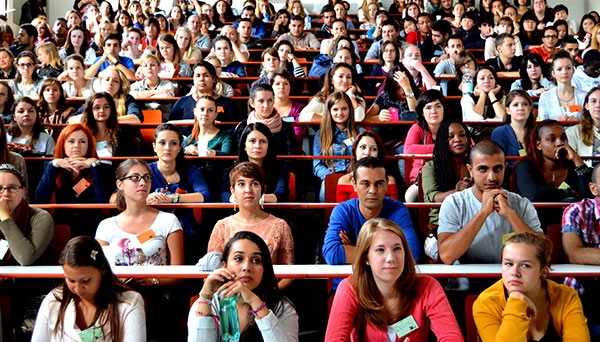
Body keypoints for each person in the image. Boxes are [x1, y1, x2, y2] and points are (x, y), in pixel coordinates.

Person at [326, 218, 462, 340]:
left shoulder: (428, 286)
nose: (391, 258)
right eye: (380, 250)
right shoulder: (349, 289)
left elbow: (452, 338)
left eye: (397, 248)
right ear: (366, 257)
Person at [96, 158, 184, 341]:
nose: (143, 183)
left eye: (146, 178)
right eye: (135, 178)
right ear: (120, 184)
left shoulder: (168, 221)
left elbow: (179, 274)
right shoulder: (106, 226)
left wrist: (153, 281)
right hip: (116, 292)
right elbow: (100, 270)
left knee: (139, 303)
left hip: (155, 294)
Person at [437, 140, 542, 266]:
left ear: (505, 167)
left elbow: (543, 255)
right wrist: (483, 213)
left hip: (512, 281)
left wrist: (510, 214)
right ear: (470, 170)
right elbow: (446, 256)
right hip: (467, 283)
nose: (491, 177)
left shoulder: (521, 204)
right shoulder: (454, 203)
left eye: (498, 168)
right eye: (483, 169)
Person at [323, 157, 420, 290]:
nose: (372, 190)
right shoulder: (343, 210)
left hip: (389, 289)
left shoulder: (398, 210)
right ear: (354, 183)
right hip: (350, 287)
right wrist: (389, 253)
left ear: (386, 183)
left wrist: (355, 250)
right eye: (365, 184)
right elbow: (332, 252)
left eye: (379, 183)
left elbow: (412, 253)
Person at [473, 232, 590, 341]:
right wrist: (517, 301)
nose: (514, 272)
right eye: (508, 264)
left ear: (543, 272)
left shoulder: (566, 296)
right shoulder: (486, 303)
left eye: (525, 265)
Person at [31, 236, 146, 342]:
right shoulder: (54, 300)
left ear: (103, 269)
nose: (78, 289)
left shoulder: (129, 302)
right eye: (71, 281)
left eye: (86, 281)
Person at [189, 231, 298, 341]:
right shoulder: (211, 303)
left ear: (264, 269)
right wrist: (205, 297)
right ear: (224, 265)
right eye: (238, 258)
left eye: (256, 260)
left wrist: (254, 301)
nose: (246, 267)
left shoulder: (282, 307)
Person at [207, 162, 294, 289]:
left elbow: (289, 274)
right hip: (230, 297)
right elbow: (211, 272)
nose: (248, 190)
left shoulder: (280, 226)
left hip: (269, 297)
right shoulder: (222, 226)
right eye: (241, 184)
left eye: (254, 184)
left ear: (263, 189)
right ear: (233, 190)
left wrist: (267, 296)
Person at [35, 124, 112, 234]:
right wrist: (54, 166)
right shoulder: (50, 167)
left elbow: (102, 200)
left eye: (82, 141)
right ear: (63, 146)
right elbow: (40, 199)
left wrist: (95, 167)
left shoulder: (101, 168)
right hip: (61, 226)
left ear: (89, 146)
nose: (77, 146)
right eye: (71, 141)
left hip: (92, 227)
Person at [513, 119, 593, 203]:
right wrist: (568, 192)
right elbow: (534, 195)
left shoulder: (571, 165)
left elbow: (589, 194)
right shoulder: (525, 165)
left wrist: (577, 160)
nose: (560, 143)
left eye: (563, 138)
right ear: (538, 145)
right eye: (552, 139)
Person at [312, 91, 363, 201]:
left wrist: (352, 175)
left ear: (350, 110)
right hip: (331, 177)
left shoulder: (360, 133)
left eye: (344, 108)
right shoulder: (320, 135)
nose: (340, 112)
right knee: (324, 189)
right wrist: (332, 177)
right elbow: (317, 165)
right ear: (329, 111)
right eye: (335, 109)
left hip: (355, 178)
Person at [422, 120, 472, 230]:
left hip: (471, 222)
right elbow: (433, 197)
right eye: (450, 137)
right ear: (442, 141)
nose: (458, 139)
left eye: (462, 135)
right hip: (440, 224)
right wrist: (456, 192)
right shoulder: (431, 166)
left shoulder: (475, 164)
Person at [0, 162, 52, 266]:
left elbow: (25, 258)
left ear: (22, 191)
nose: (5, 194)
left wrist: (5, 217)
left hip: (29, 280)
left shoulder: (41, 217)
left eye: (12, 188)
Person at [183, 95, 234, 199]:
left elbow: (227, 157)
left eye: (210, 110)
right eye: (202, 109)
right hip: (194, 185)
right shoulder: (189, 140)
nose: (205, 113)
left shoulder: (225, 136)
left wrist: (201, 151)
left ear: (215, 114)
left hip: (218, 184)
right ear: (195, 112)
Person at [224, 123, 290, 203]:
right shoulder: (232, 169)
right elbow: (223, 193)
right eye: (252, 141)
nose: (257, 146)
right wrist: (231, 198)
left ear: (269, 145)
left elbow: (281, 194)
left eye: (263, 141)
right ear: (244, 145)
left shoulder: (280, 168)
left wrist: (254, 198)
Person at [404, 90, 450, 202]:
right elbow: (408, 149)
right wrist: (440, 148)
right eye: (428, 107)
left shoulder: (452, 127)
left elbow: (469, 145)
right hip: (421, 177)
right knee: (410, 197)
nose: (433, 111)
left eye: (438, 106)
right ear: (422, 112)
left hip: (448, 175)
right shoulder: (417, 128)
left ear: (444, 109)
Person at [234, 83, 297, 158]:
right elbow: (240, 157)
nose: (266, 105)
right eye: (261, 101)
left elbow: (290, 159)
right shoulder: (242, 127)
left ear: (274, 101)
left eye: (270, 100)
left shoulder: (286, 127)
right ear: (252, 103)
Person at [337, 131, 398, 202]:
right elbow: (341, 211)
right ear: (355, 151)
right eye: (363, 147)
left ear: (378, 154)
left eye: (373, 149)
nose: (367, 153)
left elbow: (395, 210)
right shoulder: (345, 180)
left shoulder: (389, 180)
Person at [170, 62, 237, 123]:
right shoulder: (182, 102)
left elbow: (234, 127)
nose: (201, 79)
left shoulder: (227, 103)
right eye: (198, 76)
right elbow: (171, 125)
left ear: (214, 79)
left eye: (206, 75)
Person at [80, 92, 141, 158]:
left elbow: (125, 163)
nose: (102, 110)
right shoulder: (84, 134)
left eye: (106, 107)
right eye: (97, 107)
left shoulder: (122, 134)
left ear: (111, 109)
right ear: (90, 111)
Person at [74, 66, 142, 124]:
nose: (110, 83)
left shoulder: (127, 98)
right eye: (107, 79)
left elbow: (136, 119)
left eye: (115, 81)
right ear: (101, 82)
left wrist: (106, 121)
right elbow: (72, 120)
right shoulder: (93, 99)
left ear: (120, 85)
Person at [300, 63, 366, 123]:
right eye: (340, 76)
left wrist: (351, 96)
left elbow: (358, 118)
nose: (345, 80)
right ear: (332, 80)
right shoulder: (322, 98)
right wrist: (334, 120)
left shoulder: (357, 100)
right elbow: (303, 116)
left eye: (349, 77)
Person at [538, 50, 587, 121]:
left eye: (568, 68)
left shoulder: (584, 96)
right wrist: (555, 123)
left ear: (573, 71)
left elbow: (590, 123)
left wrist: (579, 123)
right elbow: (541, 122)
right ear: (553, 73)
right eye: (559, 69)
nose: (564, 72)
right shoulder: (545, 97)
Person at [491, 90, 535, 168]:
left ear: (530, 108)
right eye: (515, 105)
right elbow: (497, 163)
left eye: (524, 104)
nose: (520, 108)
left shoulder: (537, 131)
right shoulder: (499, 133)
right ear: (508, 110)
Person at [270, 69, 306, 149]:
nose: (281, 87)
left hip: (293, 152)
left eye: (285, 83)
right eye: (277, 84)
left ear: (291, 87)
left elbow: (298, 134)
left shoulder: (299, 108)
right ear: (271, 87)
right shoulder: (266, 108)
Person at [566, 87, 600, 167]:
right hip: (584, 176)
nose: (598, 105)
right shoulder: (572, 132)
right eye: (593, 101)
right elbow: (571, 163)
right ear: (586, 106)